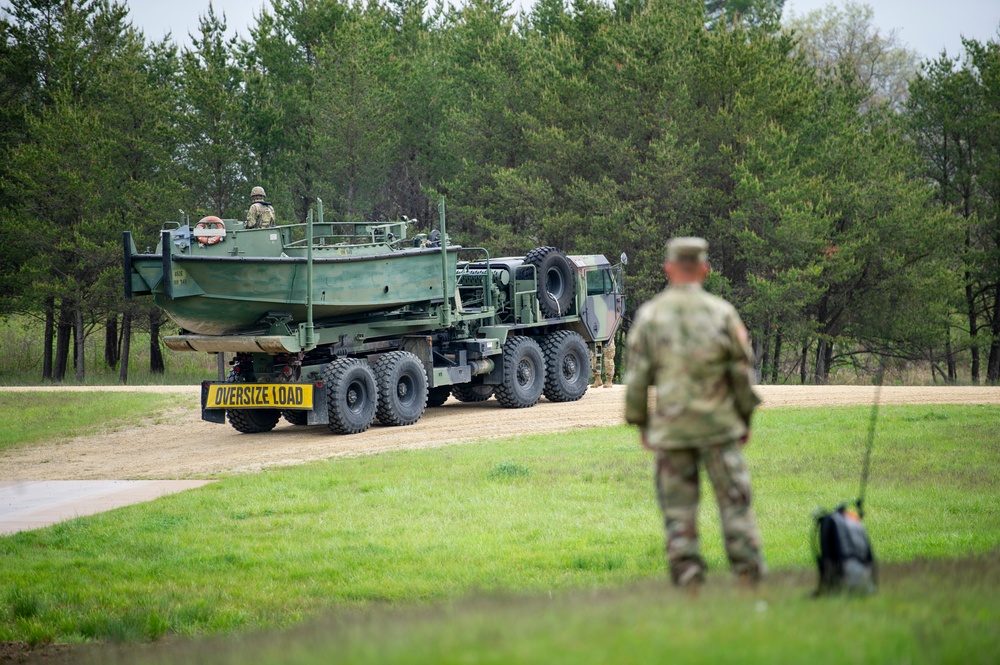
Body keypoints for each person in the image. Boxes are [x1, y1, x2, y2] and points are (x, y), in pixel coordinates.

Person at [624, 237, 764, 590]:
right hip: (720, 427)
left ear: (668, 269)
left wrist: (642, 423)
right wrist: (744, 418)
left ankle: (690, 588)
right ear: (705, 269)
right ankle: (749, 582)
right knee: (736, 508)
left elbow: (638, 378)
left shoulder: (651, 316)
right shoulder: (722, 313)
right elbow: (741, 373)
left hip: (672, 432)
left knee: (679, 515)